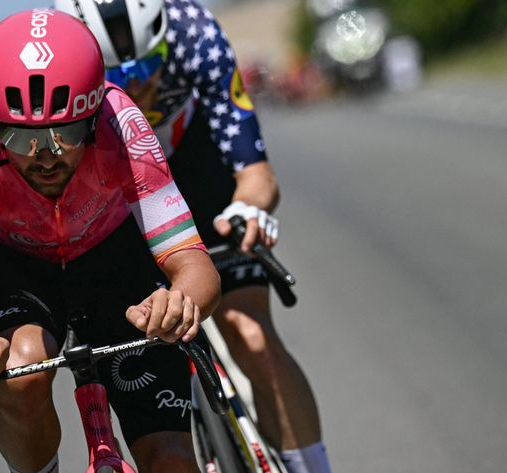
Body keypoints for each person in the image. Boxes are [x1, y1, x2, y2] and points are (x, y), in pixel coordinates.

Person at [0, 9, 220, 473]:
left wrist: (180, 303)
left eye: (64, 133)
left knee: (170, 461)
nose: (44, 156)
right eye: (20, 137)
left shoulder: (121, 123)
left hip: (115, 261)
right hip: (24, 270)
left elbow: (192, 263)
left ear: (91, 117)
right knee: (21, 370)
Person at [53, 1, 332, 472]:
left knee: (251, 333)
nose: (140, 82)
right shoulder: (61, 66)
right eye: (120, 75)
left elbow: (257, 175)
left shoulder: (194, 33)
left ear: (168, 44)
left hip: (194, 164)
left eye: (151, 62)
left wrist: (247, 208)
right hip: (115, 192)